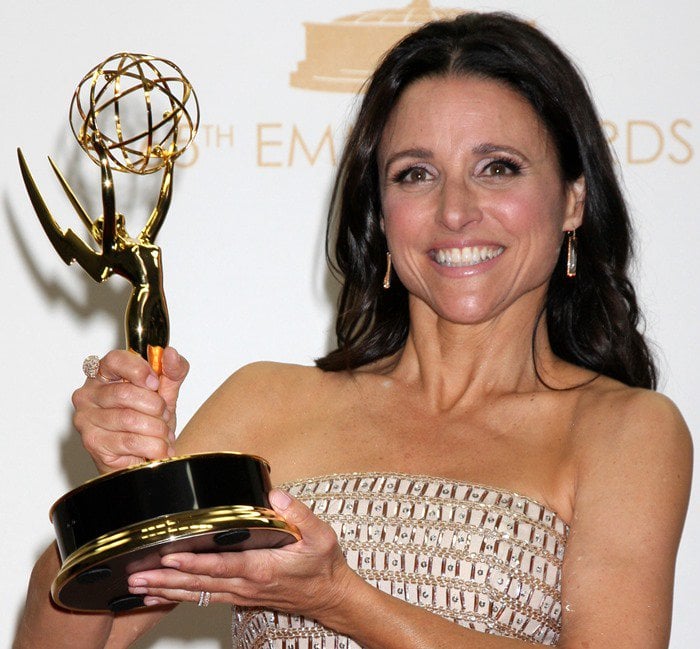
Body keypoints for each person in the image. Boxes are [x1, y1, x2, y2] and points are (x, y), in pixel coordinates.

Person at [14, 11, 692, 649]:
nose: (455, 210)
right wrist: (119, 493)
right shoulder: (266, 402)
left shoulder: (625, 430)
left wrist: (339, 597)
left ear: (574, 198)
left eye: (498, 167)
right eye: (416, 174)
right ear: (381, 211)